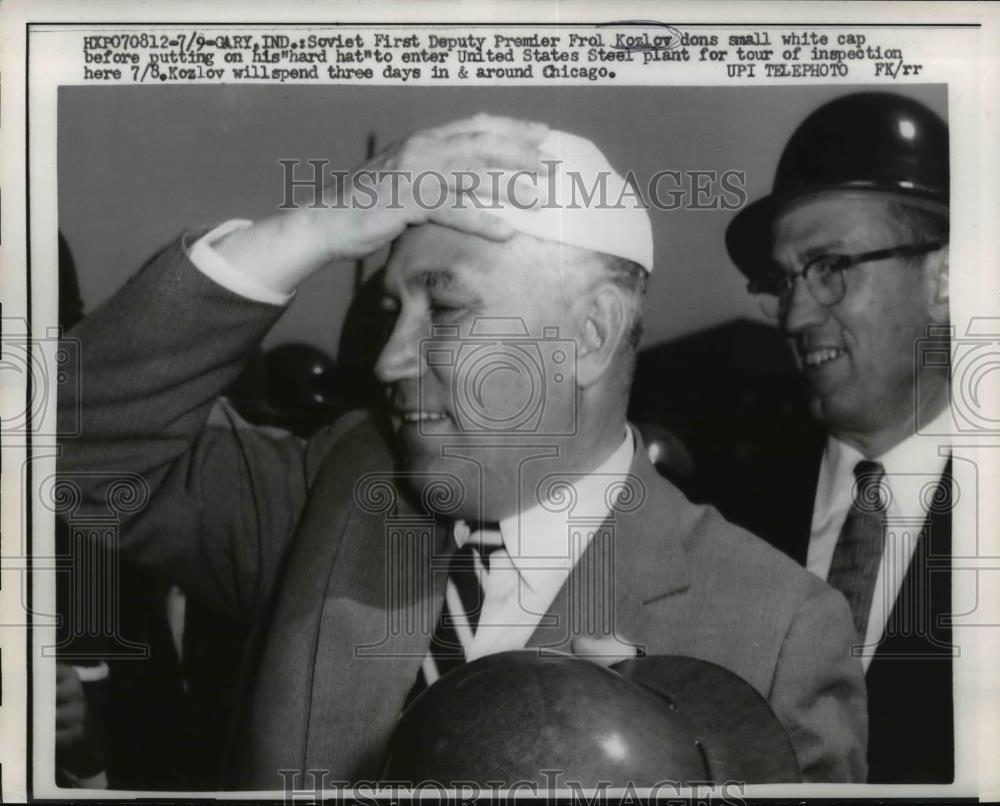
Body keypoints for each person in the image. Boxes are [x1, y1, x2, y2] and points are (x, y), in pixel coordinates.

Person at [59, 114, 866, 787]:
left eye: (442, 310)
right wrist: (311, 230)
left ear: (588, 335)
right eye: (390, 309)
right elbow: (71, 446)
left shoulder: (776, 632)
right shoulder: (330, 492)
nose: (388, 358)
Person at [724, 92, 953, 783]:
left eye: (830, 269)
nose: (794, 314)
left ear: (944, 277)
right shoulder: (722, 517)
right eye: (781, 279)